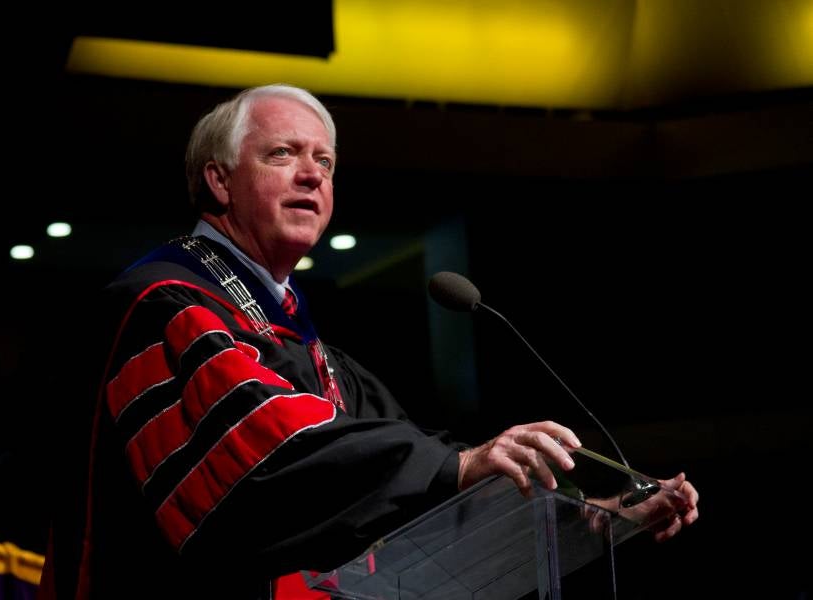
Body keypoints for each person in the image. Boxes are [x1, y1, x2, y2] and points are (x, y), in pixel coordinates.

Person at [38, 84, 698, 599]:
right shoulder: (166, 304)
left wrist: (594, 518)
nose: (313, 175)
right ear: (219, 180)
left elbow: (413, 501)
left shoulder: (311, 351)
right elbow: (266, 461)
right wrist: (457, 465)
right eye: (283, 154)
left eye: (324, 161)